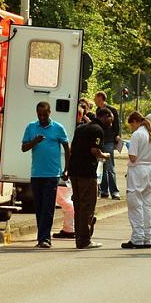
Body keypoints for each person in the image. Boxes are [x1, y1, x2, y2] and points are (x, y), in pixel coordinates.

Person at [21, 101, 70, 248]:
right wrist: (34, 141)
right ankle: (42, 236)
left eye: (45, 114)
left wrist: (67, 169)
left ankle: (45, 238)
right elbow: (24, 148)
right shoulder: (31, 127)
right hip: (37, 174)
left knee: (48, 207)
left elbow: (67, 149)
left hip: (52, 174)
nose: (42, 117)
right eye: (39, 114)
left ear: (50, 113)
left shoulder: (58, 128)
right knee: (39, 207)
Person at [65, 105, 105, 249]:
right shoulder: (98, 130)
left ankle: (79, 237)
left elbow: (71, 149)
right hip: (87, 173)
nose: (110, 123)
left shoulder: (80, 128)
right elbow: (95, 150)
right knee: (87, 206)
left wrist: (67, 169)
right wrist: (105, 155)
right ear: (103, 117)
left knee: (78, 206)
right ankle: (84, 239)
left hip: (74, 171)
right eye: (110, 120)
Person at [123, 111, 151, 249]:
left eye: (131, 125)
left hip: (137, 170)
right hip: (149, 169)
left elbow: (133, 157)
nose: (132, 128)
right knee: (147, 205)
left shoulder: (137, 134)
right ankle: (147, 236)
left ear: (135, 121)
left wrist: (129, 146)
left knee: (135, 204)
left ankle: (137, 238)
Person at [94, 91, 121, 200]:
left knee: (110, 166)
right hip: (100, 140)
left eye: (96, 97)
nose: (95, 100)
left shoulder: (112, 110)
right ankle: (104, 191)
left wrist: (116, 137)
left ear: (100, 98)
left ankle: (114, 191)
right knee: (102, 167)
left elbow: (116, 125)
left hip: (109, 140)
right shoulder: (97, 110)